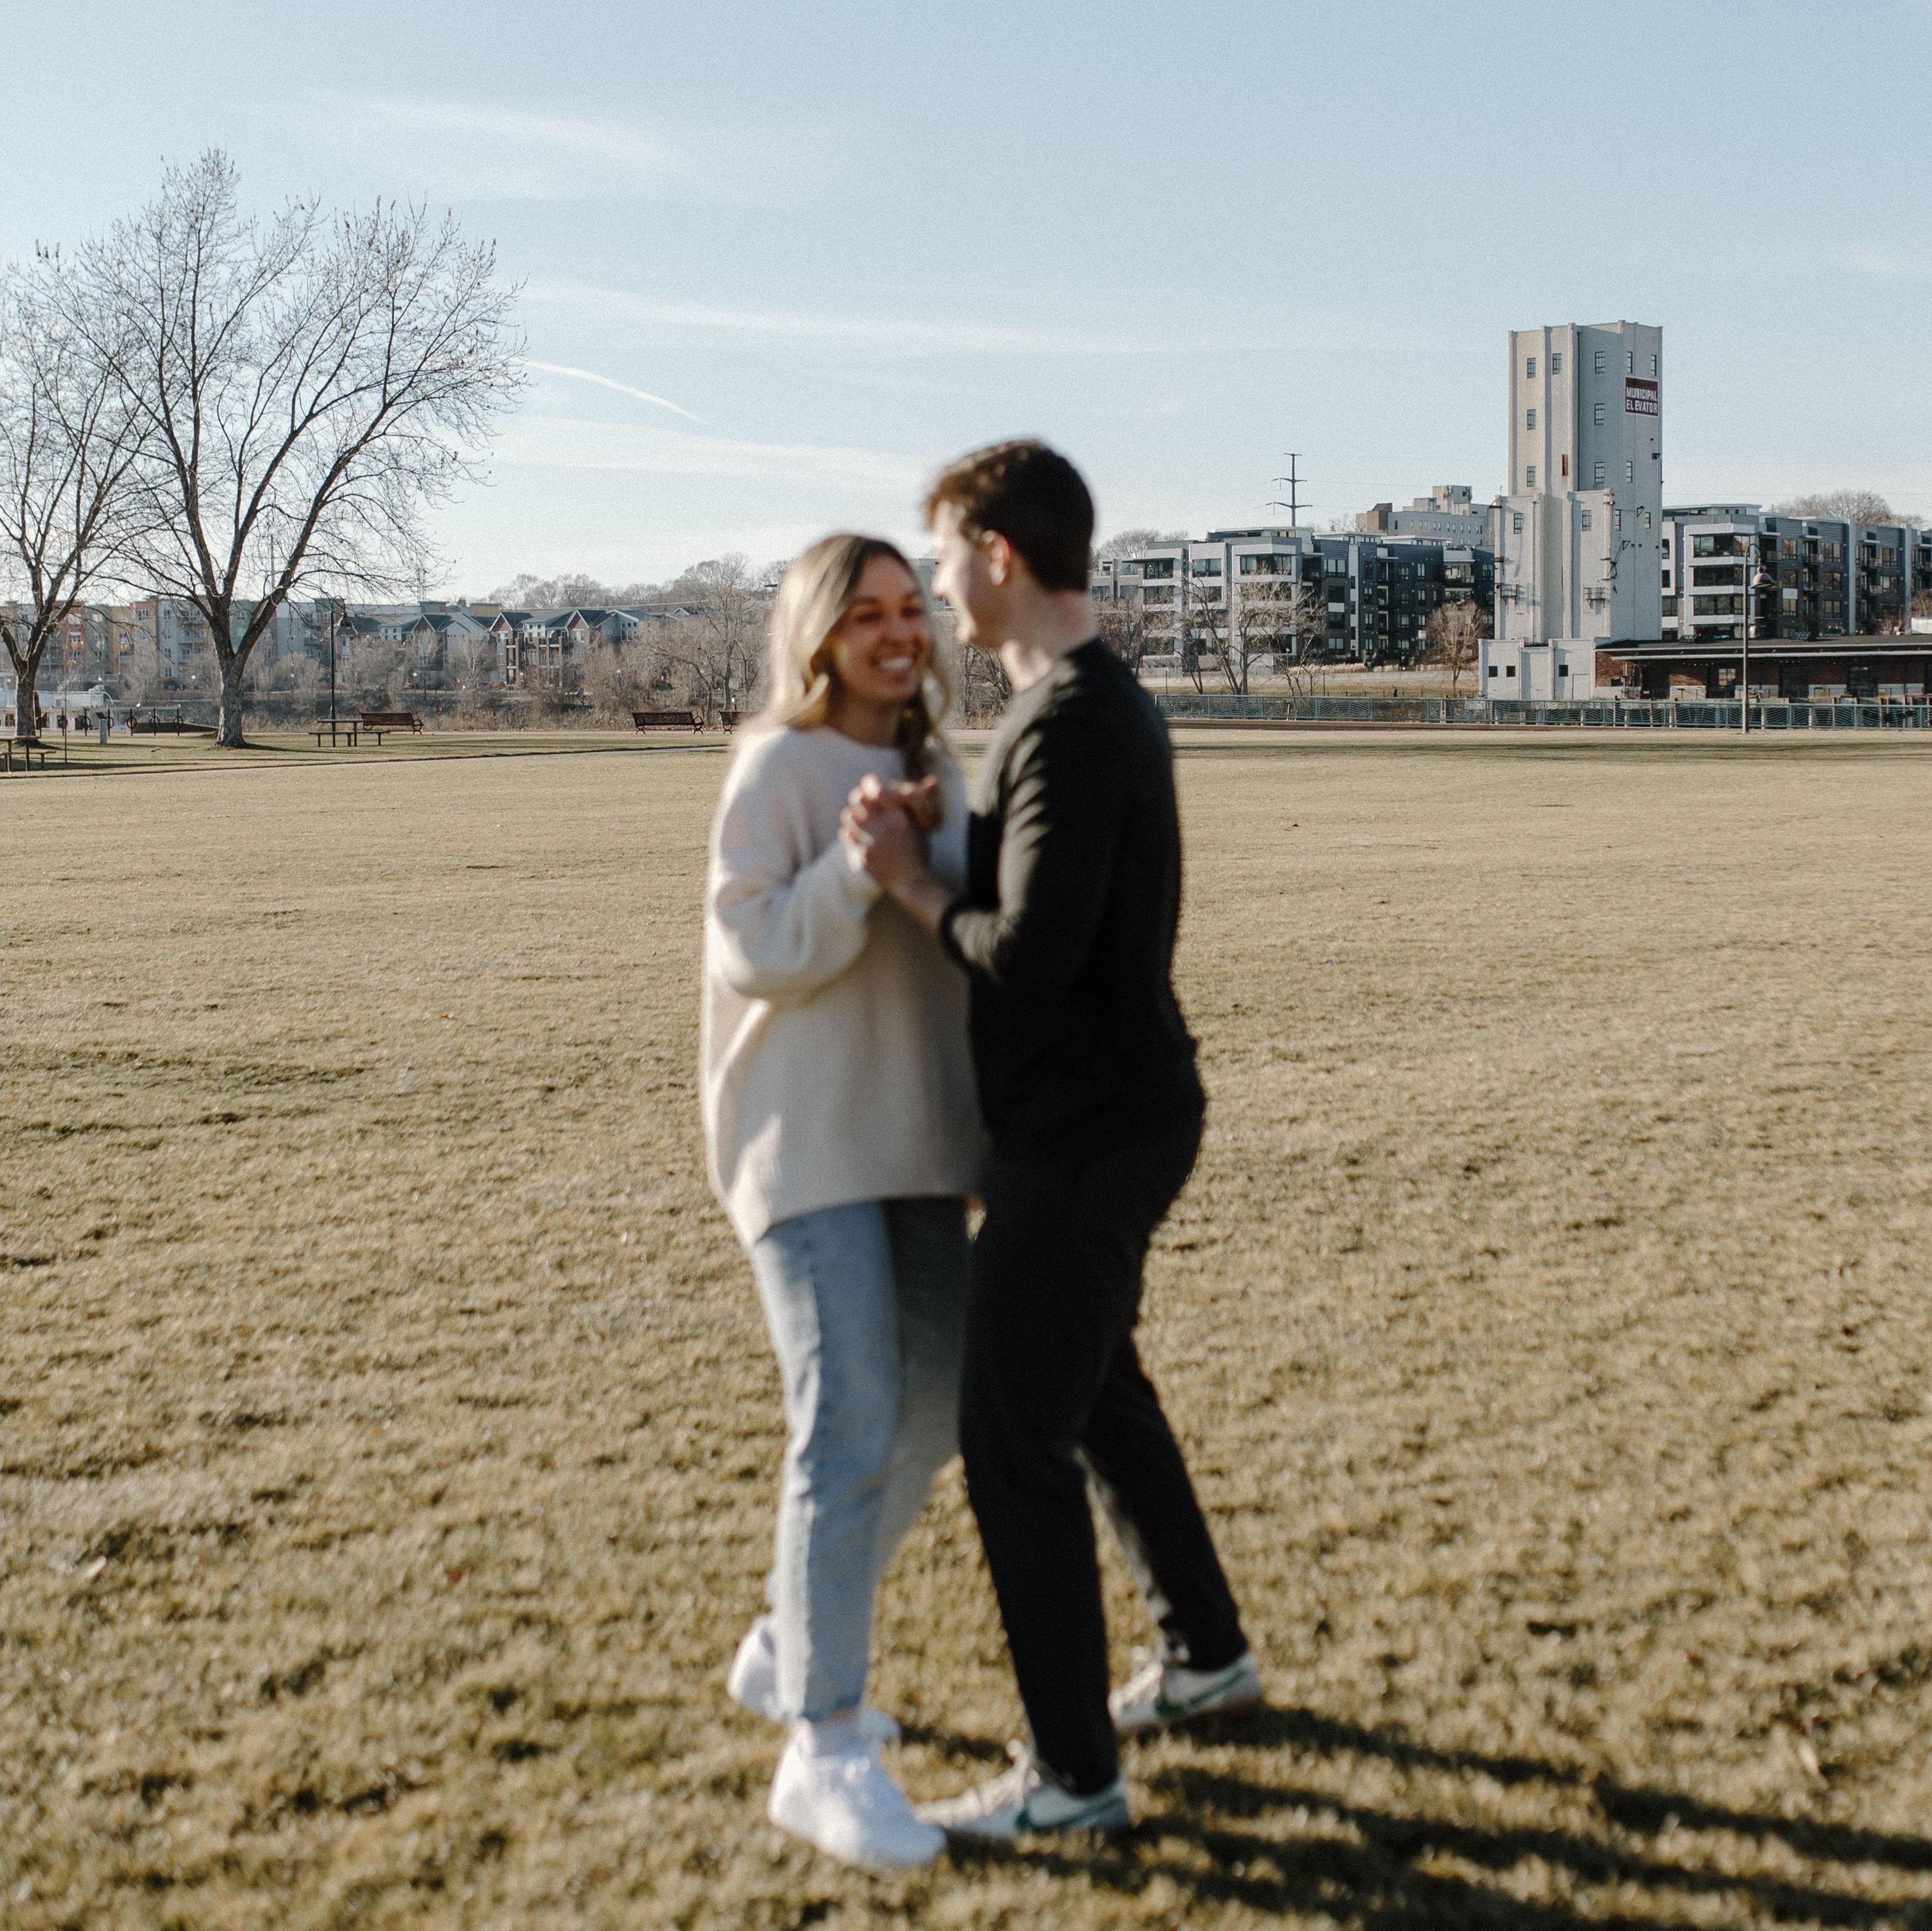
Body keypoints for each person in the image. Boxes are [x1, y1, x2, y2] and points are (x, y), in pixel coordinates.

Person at [842, 440, 1260, 1841]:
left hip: (1088, 1133)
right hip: (1112, 1113)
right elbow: (1045, 886)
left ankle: (1074, 1776)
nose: (936, 586)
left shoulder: (1072, 724)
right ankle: (1206, 1653)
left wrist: (908, 881)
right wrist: (948, 832)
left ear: (998, 556)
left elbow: (1030, 955)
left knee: (1010, 1429)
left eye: (943, 557)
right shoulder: (1072, 710)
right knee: (1091, 1388)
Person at [701, 534, 985, 1870]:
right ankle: (822, 1749)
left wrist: (928, 854)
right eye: (865, 613)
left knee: (938, 1405)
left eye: (909, 608)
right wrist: (855, 866)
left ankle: (788, 1638)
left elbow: (975, 937)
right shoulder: (777, 766)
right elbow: (753, 950)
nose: (896, 631)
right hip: (802, 1146)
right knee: (849, 1413)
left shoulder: (941, 771)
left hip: (921, 1142)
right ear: (818, 635)